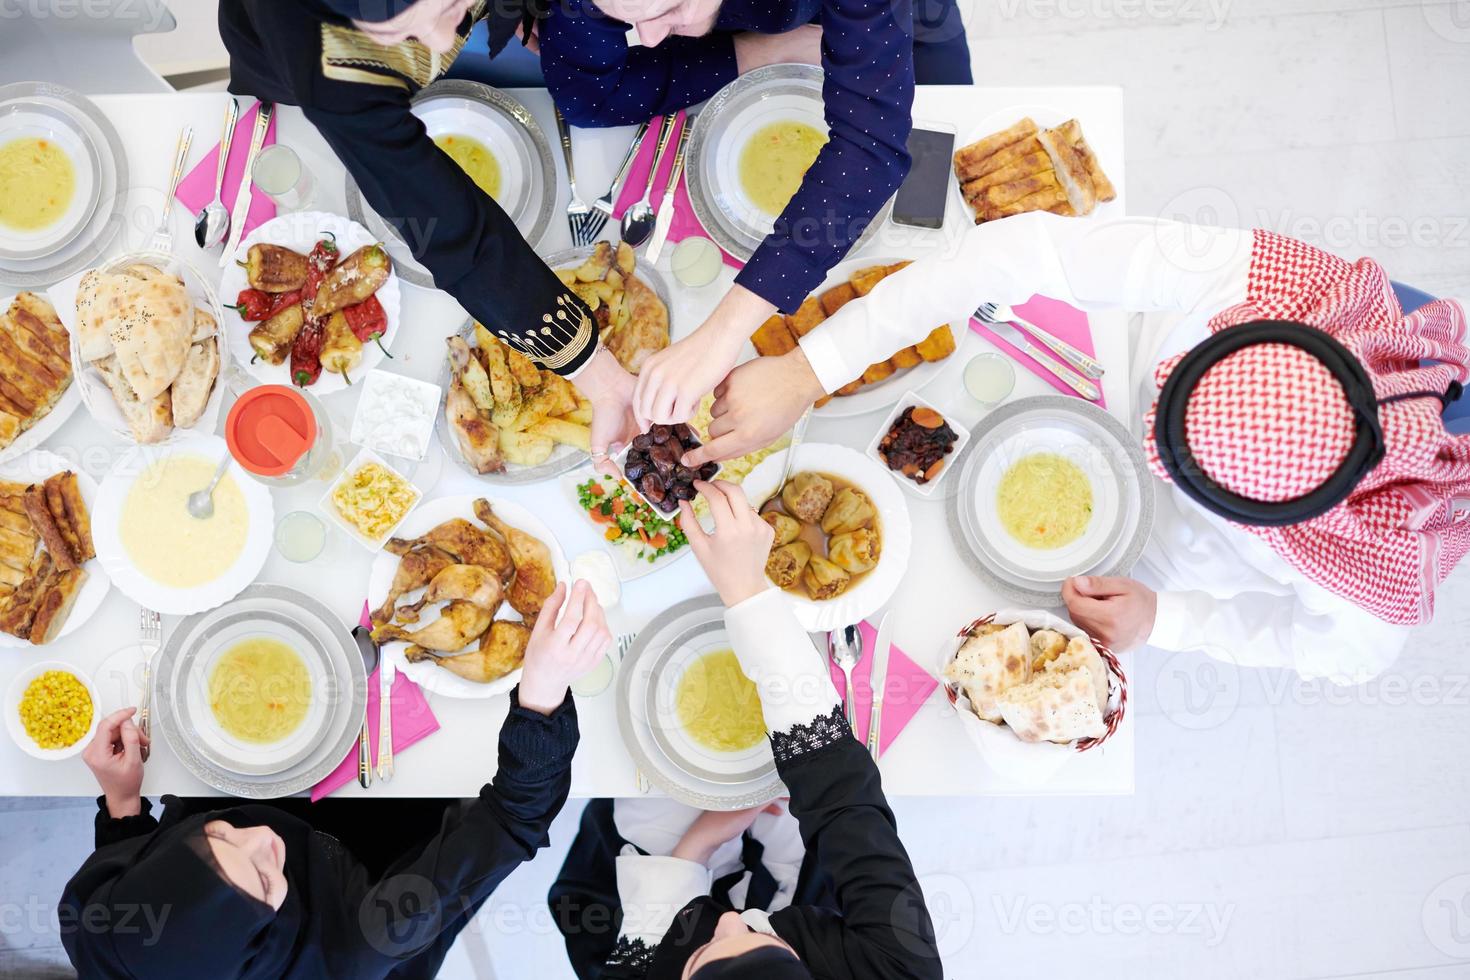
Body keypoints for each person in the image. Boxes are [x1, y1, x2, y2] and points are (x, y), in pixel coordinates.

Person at [692, 212, 1470, 683]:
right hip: (1093, 383)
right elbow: (1019, 250)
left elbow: (1344, 656)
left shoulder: (1379, 562)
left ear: (1284, 521)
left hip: (1155, 567)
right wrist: (810, 367)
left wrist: (1168, 621)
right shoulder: (1261, 282)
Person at [60, 581, 611, 979]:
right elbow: (515, 817)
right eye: (262, 878)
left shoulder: (97, 927)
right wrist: (542, 692)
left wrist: (123, 802)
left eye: (219, 838)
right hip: (370, 861)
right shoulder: (364, 941)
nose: (260, 837)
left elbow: (129, 864)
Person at [549, 480, 943, 978]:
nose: (732, 921)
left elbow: (655, 925)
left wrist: (702, 841)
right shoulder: (900, 968)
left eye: (706, 952)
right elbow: (844, 799)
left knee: (641, 801)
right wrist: (749, 595)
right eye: (762, 943)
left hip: (642, 900)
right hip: (801, 874)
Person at [219, 0, 638, 457]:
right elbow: (455, 234)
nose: (445, 40)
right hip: (307, 69)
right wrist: (596, 372)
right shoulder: (330, 64)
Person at [538, 0, 965, 430]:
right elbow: (587, 97)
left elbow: (870, 149)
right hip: (745, 42)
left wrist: (721, 334)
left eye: (670, 9)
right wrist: (761, 52)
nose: (647, 38)